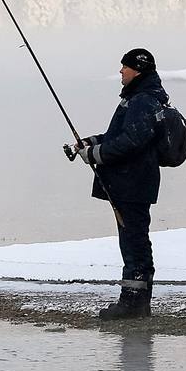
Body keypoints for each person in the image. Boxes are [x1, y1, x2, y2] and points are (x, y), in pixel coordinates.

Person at [71, 48, 169, 320]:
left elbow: (132, 141)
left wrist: (95, 155)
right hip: (133, 181)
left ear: (137, 70)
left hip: (133, 182)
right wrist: (91, 143)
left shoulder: (142, 100)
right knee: (134, 238)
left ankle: (133, 303)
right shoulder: (142, 98)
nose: (120, 71)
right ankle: (137, 302)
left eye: (124, 67)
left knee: (134, 240)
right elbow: (120, 135)